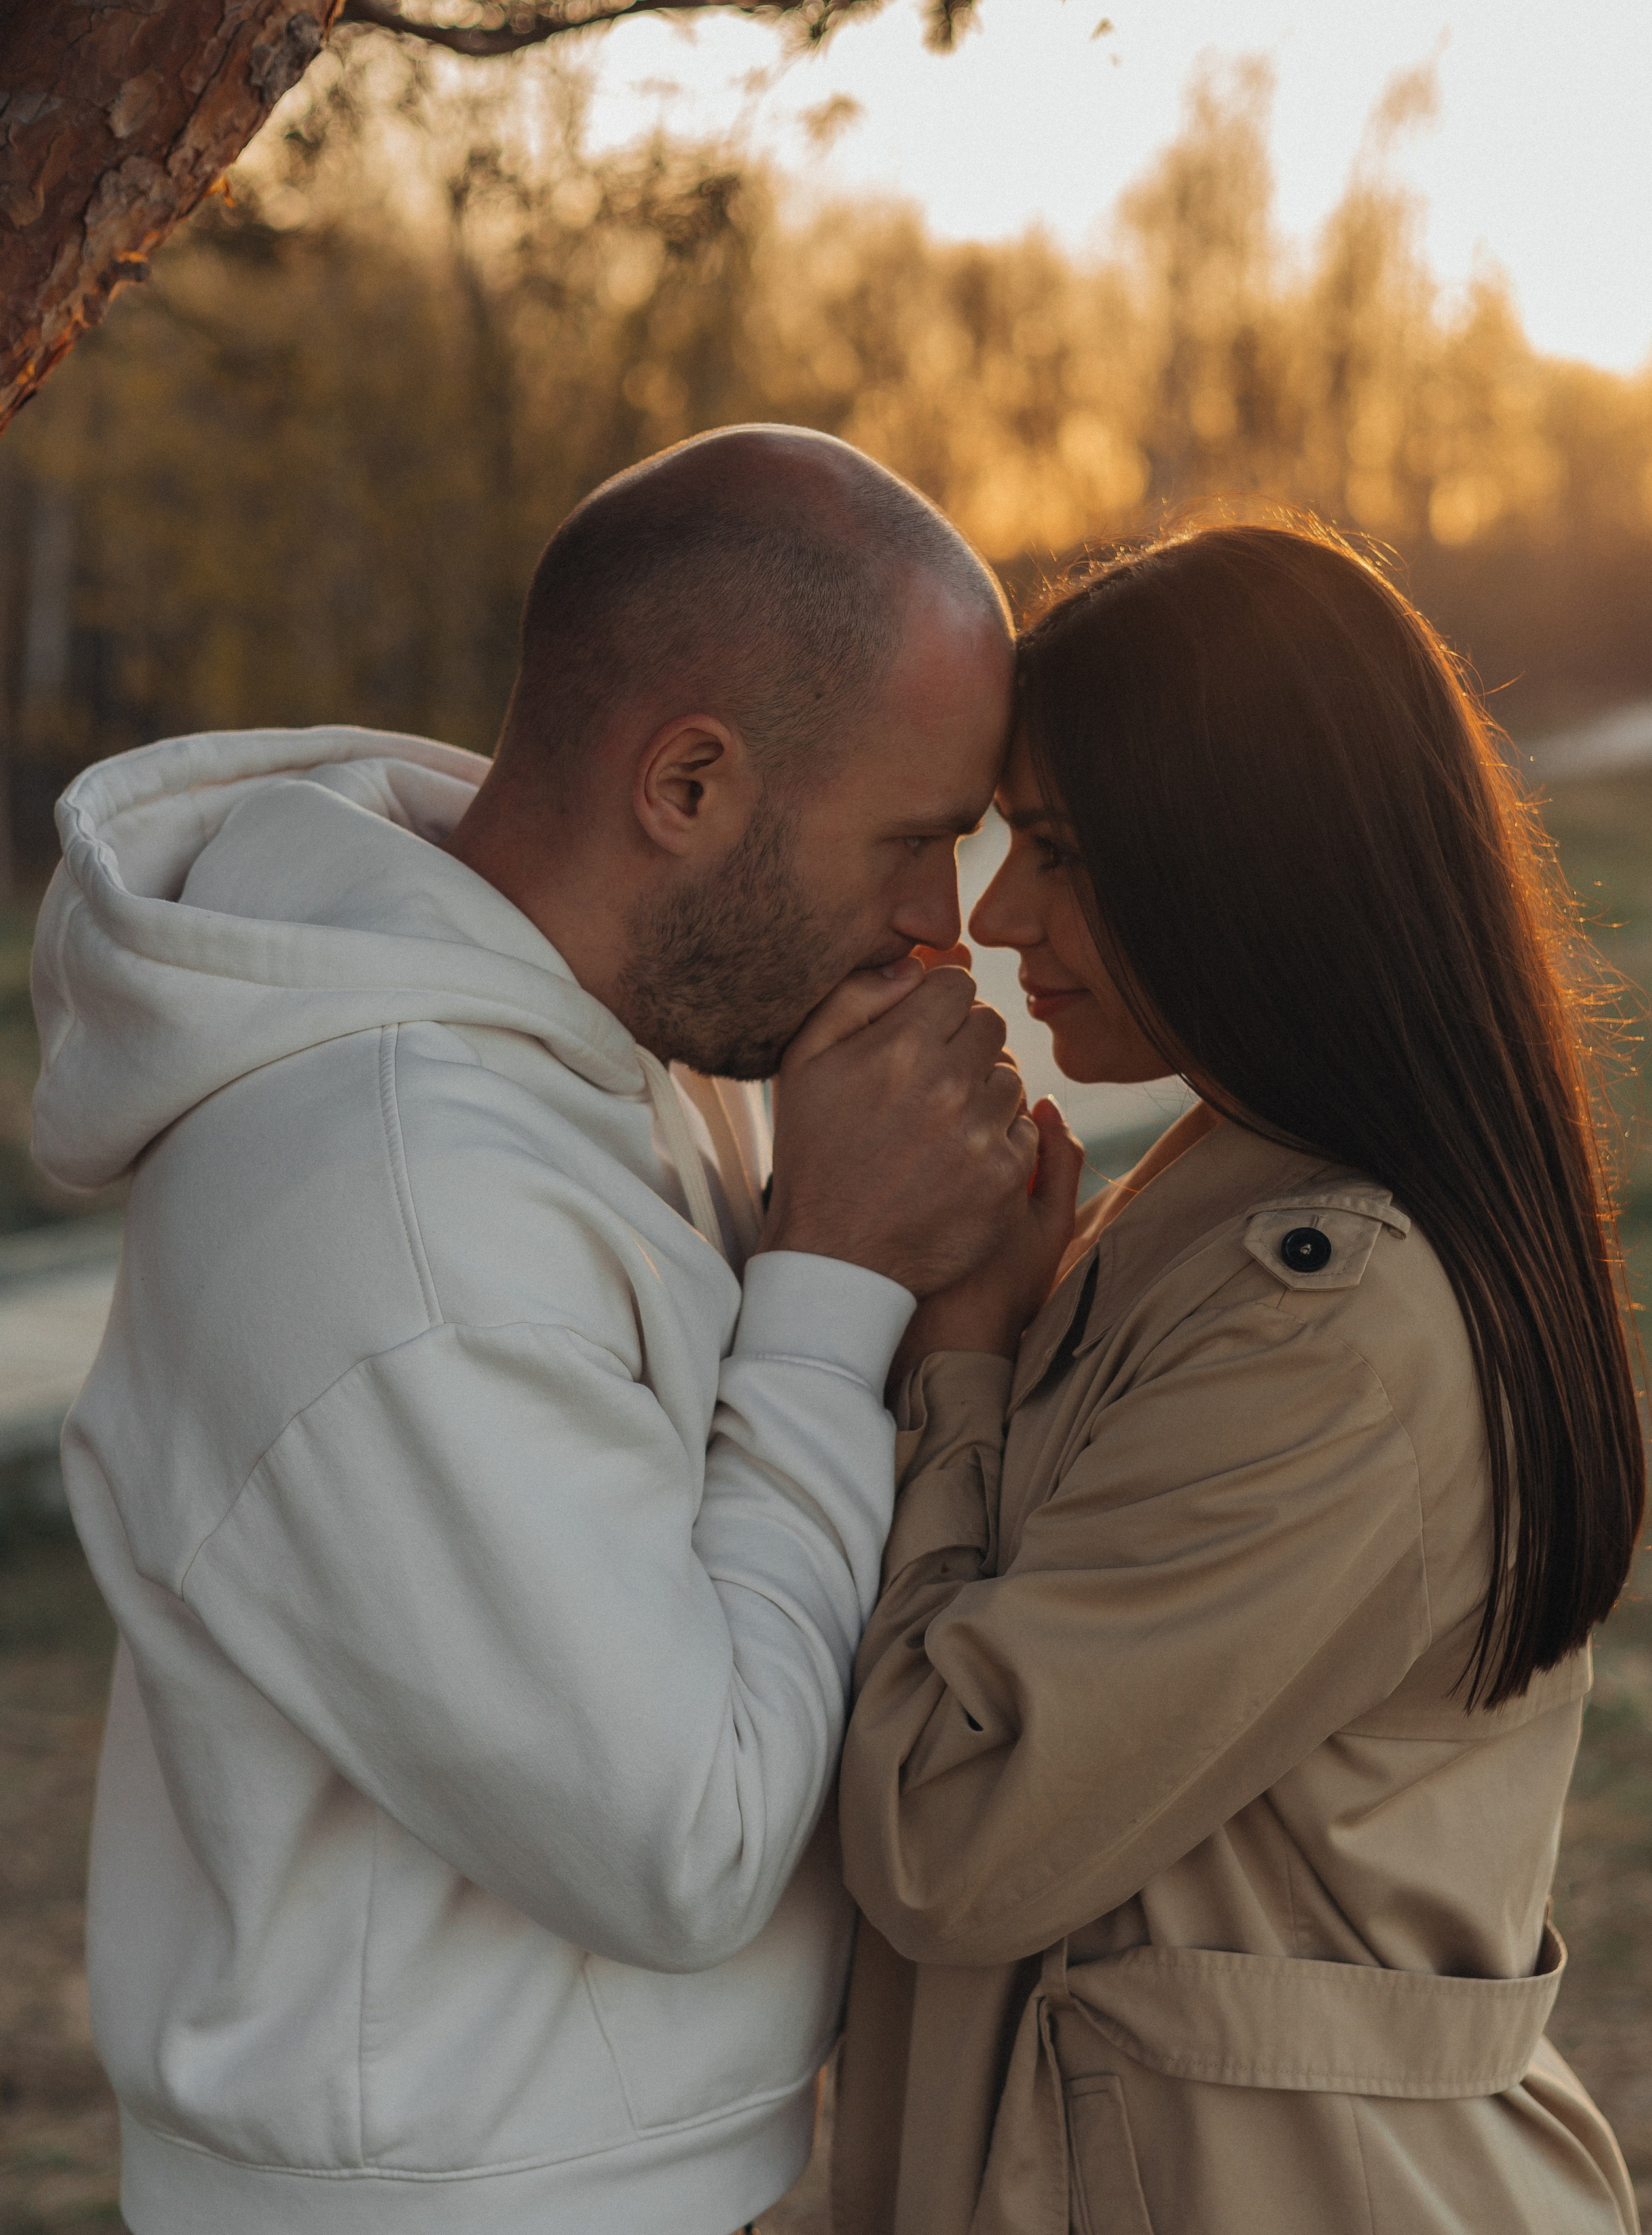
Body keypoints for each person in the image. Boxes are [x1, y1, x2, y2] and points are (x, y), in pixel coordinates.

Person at [29, 426, 1037, 2235]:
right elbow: (685, 1842)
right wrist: (835, 1283)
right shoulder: (391, 1204)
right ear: (689, 783)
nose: (936, 929)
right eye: (913, 843)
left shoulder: (617, 1035)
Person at [833, 523, 1645, 2235]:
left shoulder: (1328, 1325)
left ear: (1251, 859)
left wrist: (963, 1360)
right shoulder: (1232, 1198)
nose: (995, 912)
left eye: (1058, 850)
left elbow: (949, 1827)